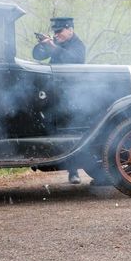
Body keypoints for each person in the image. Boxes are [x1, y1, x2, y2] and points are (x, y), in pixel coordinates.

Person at [32, 17, 86, 184]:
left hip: (72, 95)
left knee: (70, 132)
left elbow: (73, 60)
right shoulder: (56, 43)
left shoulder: (78, 45)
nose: (57, 34)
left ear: (70, 29)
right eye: (55, 32)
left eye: (59, 31)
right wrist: (43, 43)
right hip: (55, 94)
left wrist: (53, 46)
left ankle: (73, 171)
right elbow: (37, 55)